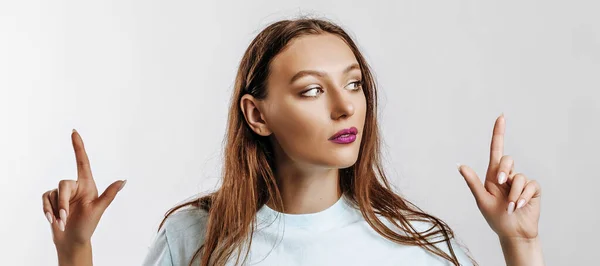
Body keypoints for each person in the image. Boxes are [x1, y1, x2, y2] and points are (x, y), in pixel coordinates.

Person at [41, 17, 544, 266]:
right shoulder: (196, 238)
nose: (346, 107)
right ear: (257, 115)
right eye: (311, 90)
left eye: (353, 84)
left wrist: (518, 242)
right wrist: (76, 249)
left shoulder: (413, 245)